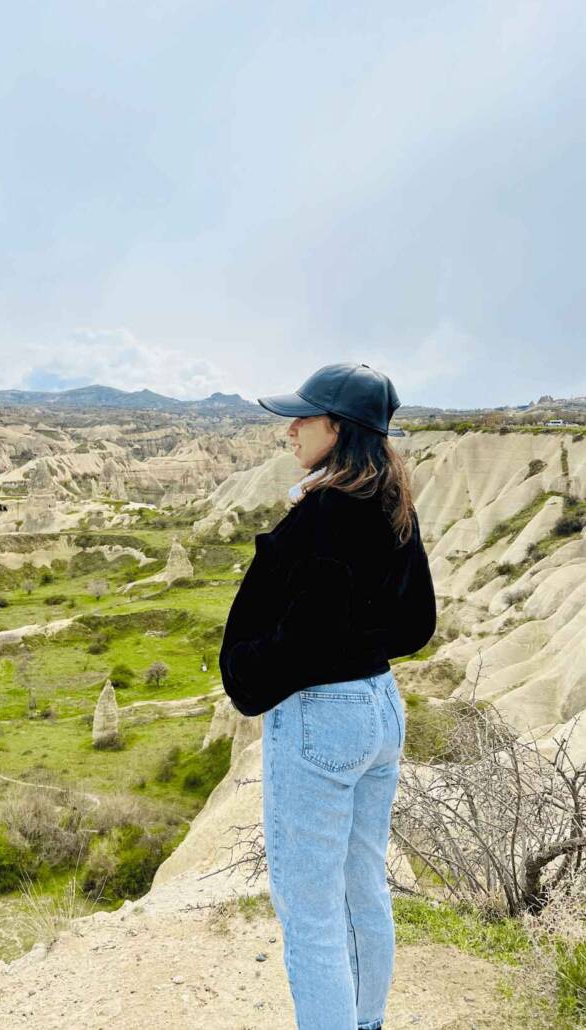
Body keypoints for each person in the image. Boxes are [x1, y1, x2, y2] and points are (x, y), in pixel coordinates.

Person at [218, 362, 437, 1030]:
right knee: (362, 889)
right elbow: (417, 622)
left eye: (302, 417)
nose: (289, 429)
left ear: (338, 429)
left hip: (322, 718)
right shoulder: (390, 501)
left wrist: (254, 671)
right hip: (379, 704)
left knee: (310, 914)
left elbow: (301, 631)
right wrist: (354, 644)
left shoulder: (324, 514)